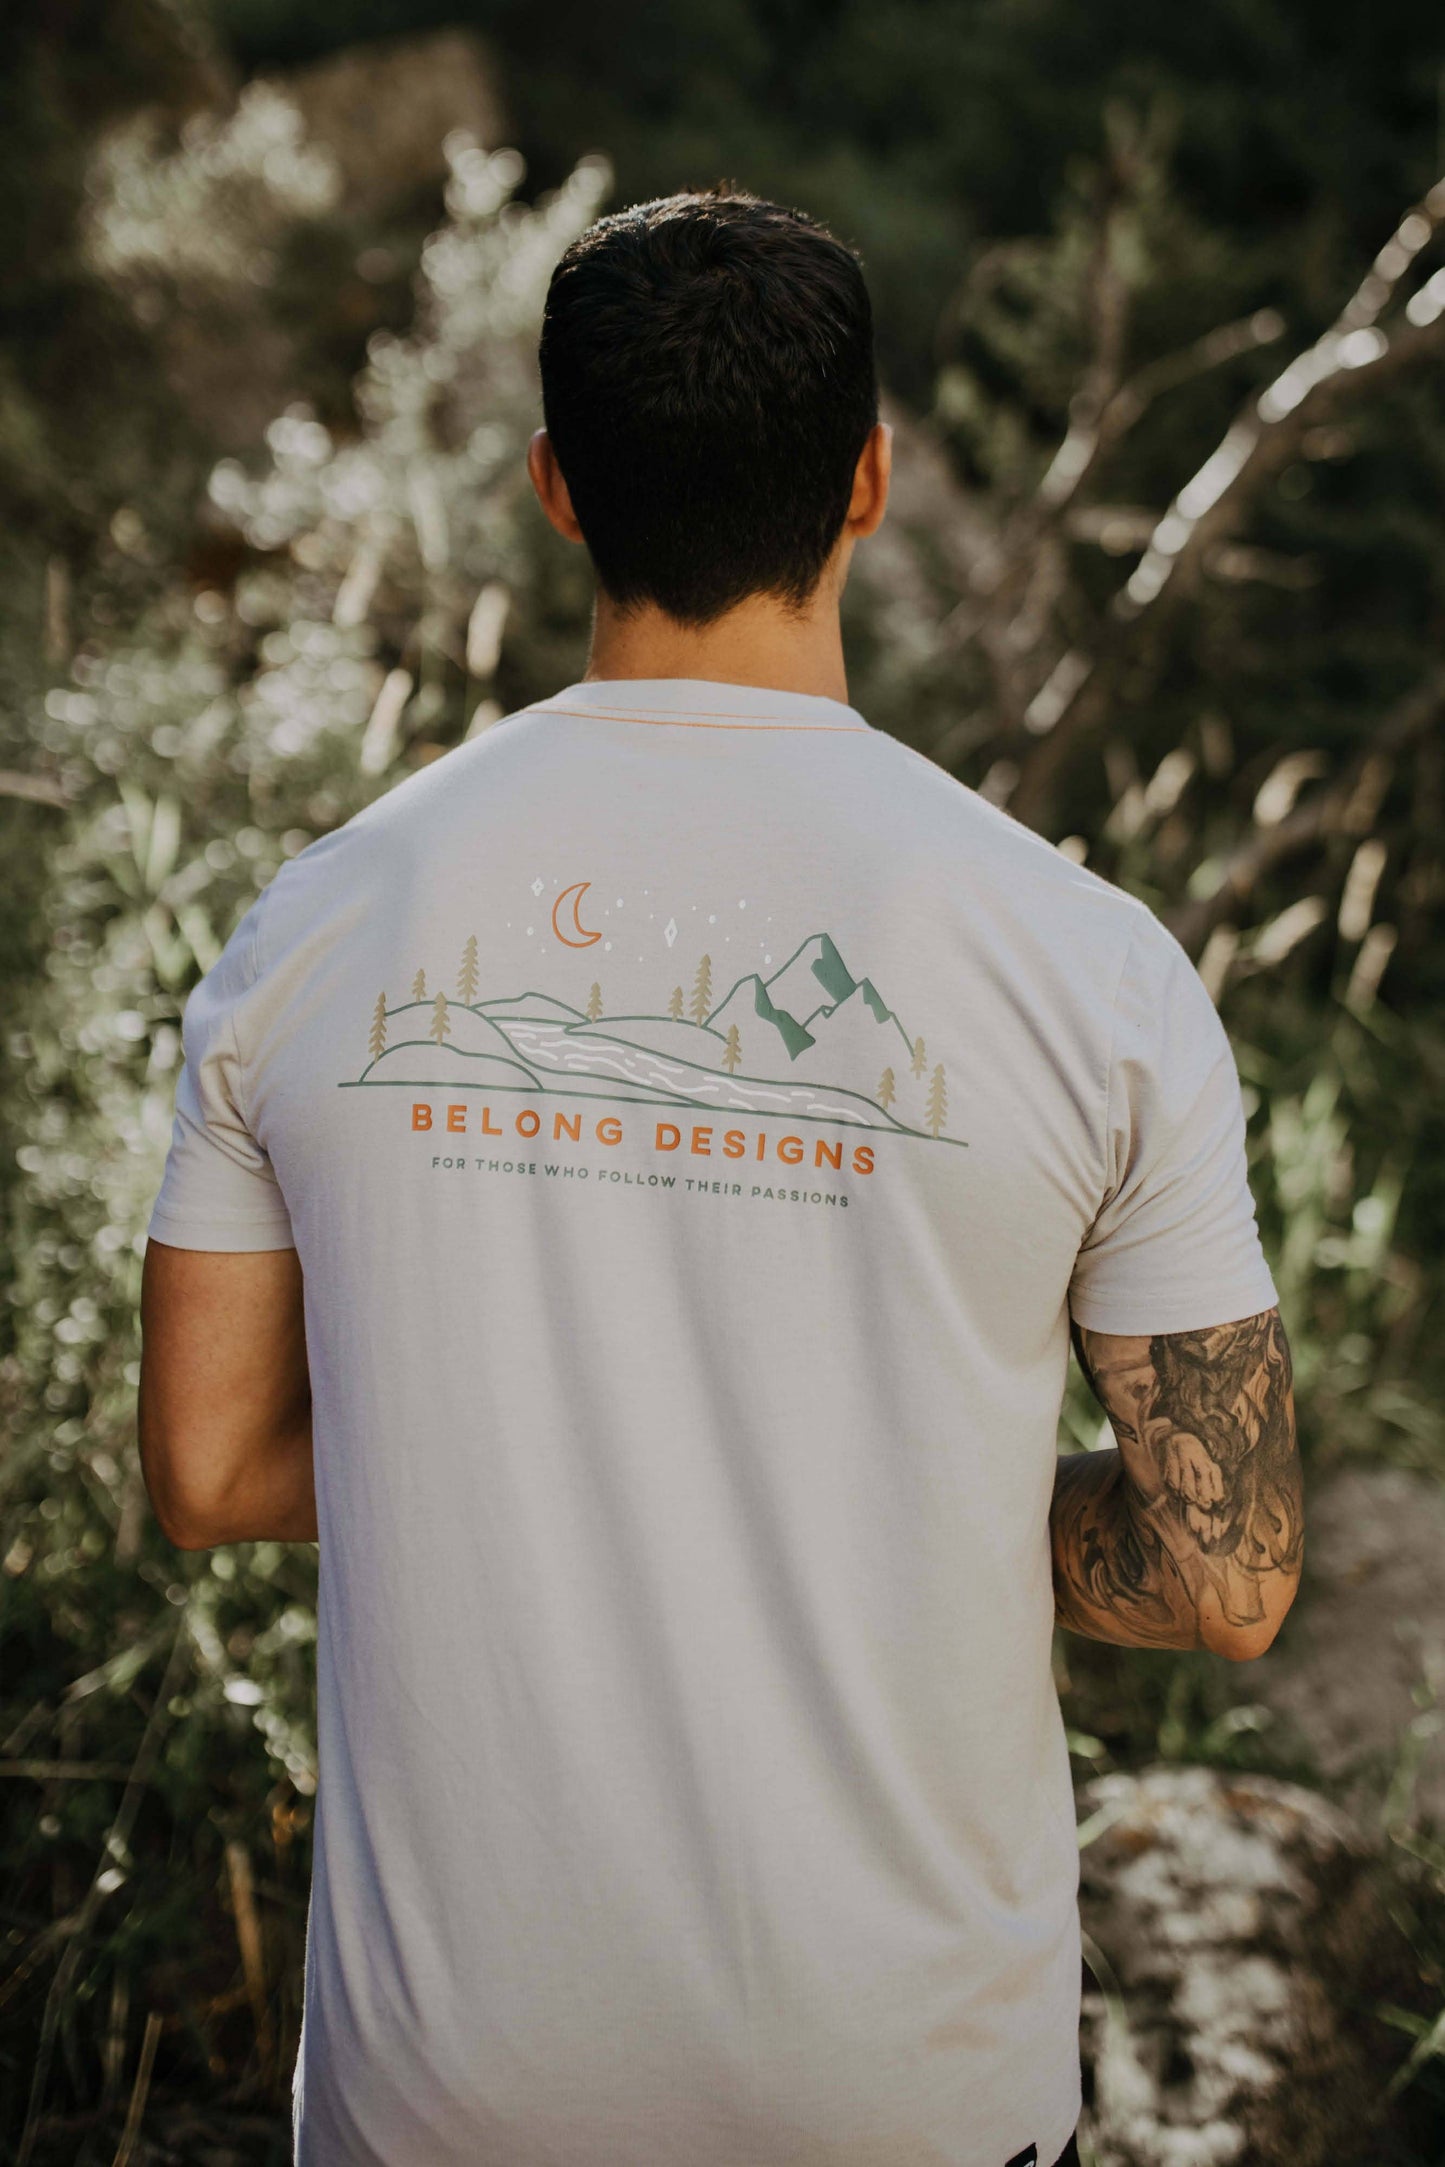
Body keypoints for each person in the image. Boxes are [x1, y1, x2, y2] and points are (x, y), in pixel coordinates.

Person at [139, 188, 1304, 2167]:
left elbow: (212, 1469)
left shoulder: (321, 924)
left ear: (554, 488)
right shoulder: (1085, 964)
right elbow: (1233, 1571)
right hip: (911, 2094)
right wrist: (901, 1502)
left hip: (454, 2101)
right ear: (865, 483)